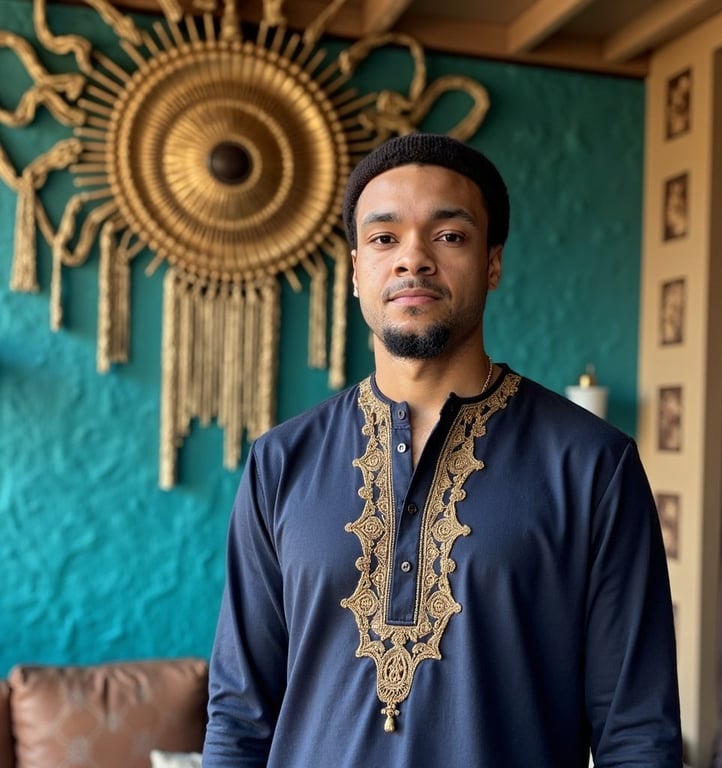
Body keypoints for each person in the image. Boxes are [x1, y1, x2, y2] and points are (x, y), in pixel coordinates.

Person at [202, 133, 683, 766]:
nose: (413, 259)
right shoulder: (279, 463)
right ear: (355, 271)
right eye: (384, 238)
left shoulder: (593, 466)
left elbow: (638, 731)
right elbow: (240, 714)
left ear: (492, 263)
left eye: (449, 236)